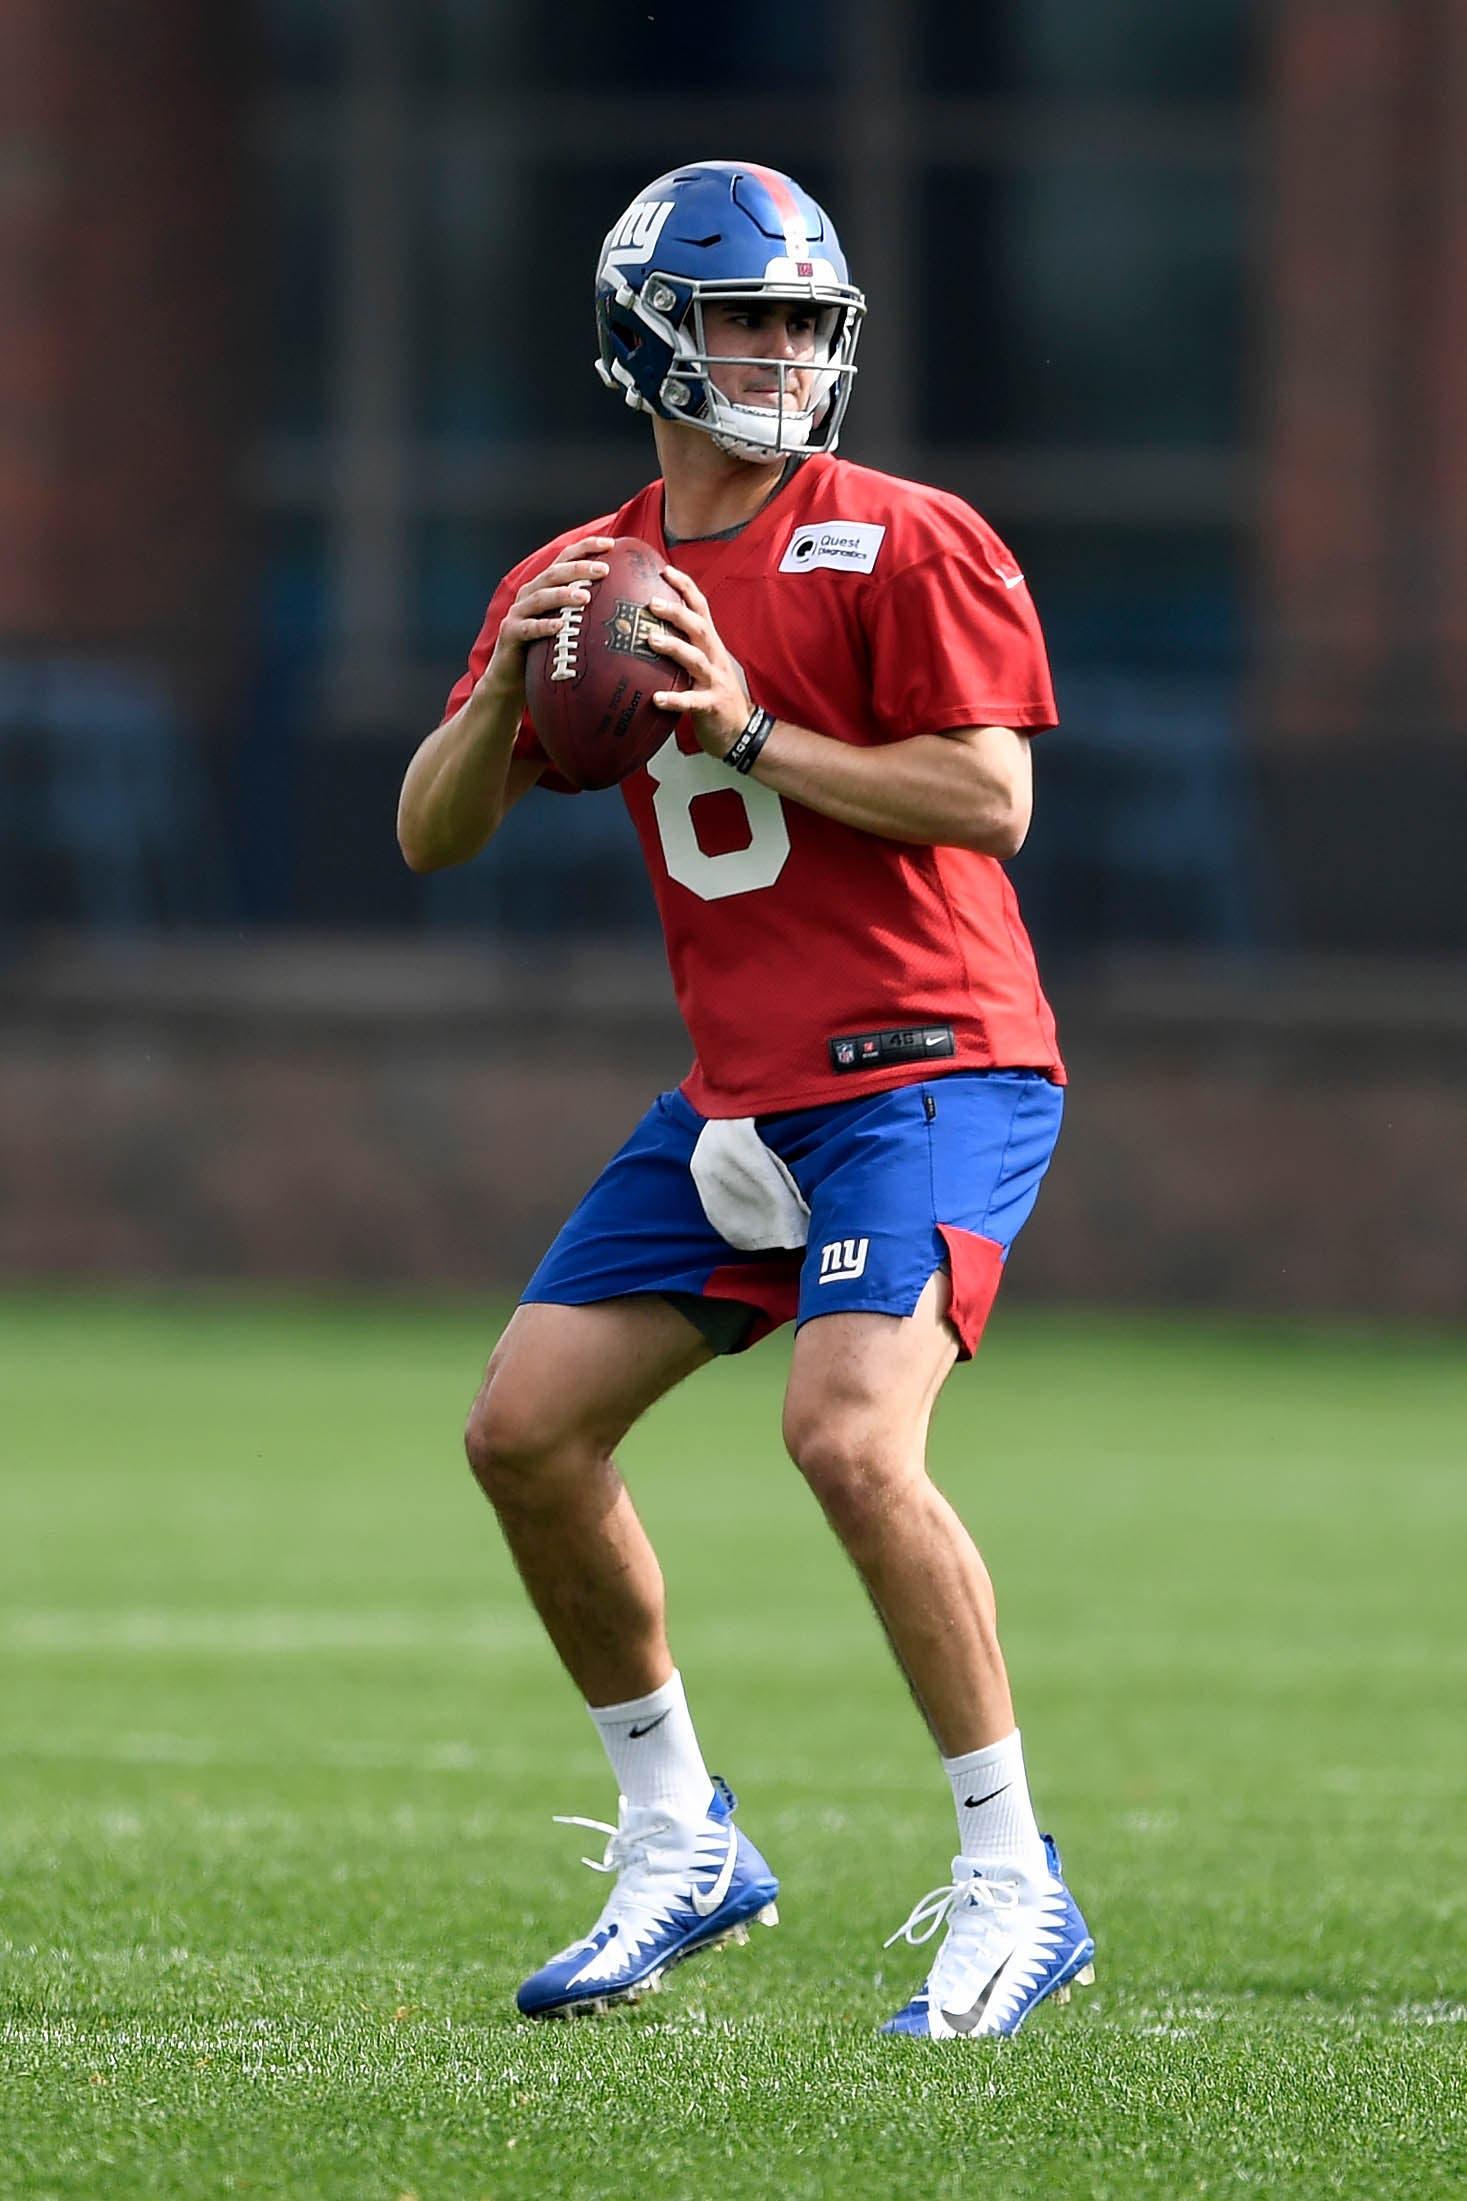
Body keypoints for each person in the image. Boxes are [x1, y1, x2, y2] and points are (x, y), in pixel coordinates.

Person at [397, 159, 1094, 2037]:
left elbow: (990, 800)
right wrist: (501, 701)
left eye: (805, 320)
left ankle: (1015, 1878)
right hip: (739, 1095)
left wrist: (749, 731)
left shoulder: (912, 535)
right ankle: (677, 1833)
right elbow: (429, 834)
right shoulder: (586, 573)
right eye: (744, 317)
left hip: (934, 1061)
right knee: (524, 1433)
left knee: (852, 1438)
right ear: (648, 332)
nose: (782, 355)